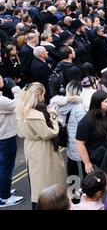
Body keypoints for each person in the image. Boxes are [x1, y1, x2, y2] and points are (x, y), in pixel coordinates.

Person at [15, 82, 66, 209]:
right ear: (38, 95)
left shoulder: (22, 110)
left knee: (36, 181)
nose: (44, 97)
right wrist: (53, 114)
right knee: (46, 183)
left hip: (31, 147)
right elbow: (50, 133)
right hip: (43, 149)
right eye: (43, 94)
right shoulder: (36, 115)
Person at [50, 80, 87, 178]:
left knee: (71, 163)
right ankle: (86, 188)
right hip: (80, 141)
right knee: (85, 164)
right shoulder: (79, 107)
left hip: (68, 139)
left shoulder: (59, 104)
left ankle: (73, 188)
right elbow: (84, 126)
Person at [76, 90, 107, 174]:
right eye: (106, 101)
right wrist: (87, 163)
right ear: (98, 103)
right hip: (95, 159)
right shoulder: (87, 121)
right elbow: (80, 143)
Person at [0, 75, 24, 207]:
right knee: (6, 167)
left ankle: (4, 190)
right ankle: (5, 197)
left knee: (2, 166)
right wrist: (15, 88)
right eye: (0, 79)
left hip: (2, 136)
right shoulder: (1, 101)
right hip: (5, 137)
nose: (3, 80)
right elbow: (18, 104)